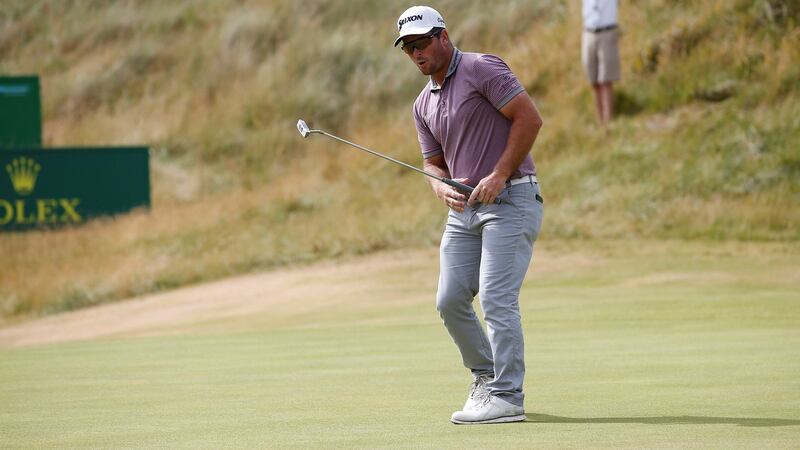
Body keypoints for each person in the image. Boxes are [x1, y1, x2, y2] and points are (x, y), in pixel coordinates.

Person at [394, 6, 544, 424]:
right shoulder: (422, 104)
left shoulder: (482, 68)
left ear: (443, 36)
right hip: (463, 212)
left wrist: (500, 173)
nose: (416, 53)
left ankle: (507, 397)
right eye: (408, 48)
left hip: (510, 199)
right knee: (449, 300)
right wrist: (439, 185)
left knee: (496, 298)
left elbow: (529, 118)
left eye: (422, 42)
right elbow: (432, 162)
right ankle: (486, 378)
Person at [581, 0, 620, 127]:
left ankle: (608, 123)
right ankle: (600, 122)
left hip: (607, 31)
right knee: (593, 80)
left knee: (605, 80)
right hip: (589, 31)